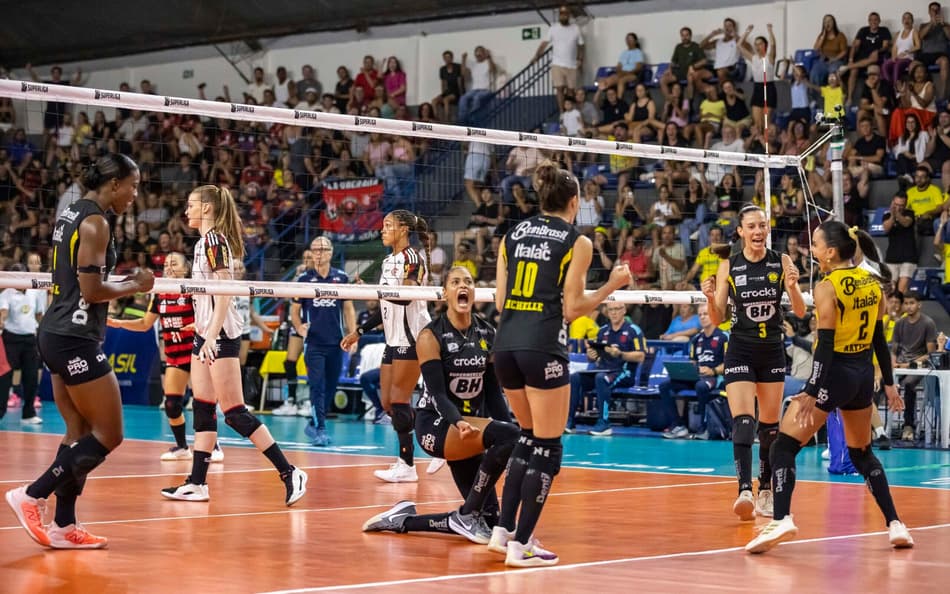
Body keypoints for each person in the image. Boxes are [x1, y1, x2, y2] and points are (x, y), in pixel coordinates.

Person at [5, 154, 154, 549]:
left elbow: (83, 281)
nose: (134, 195)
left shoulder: (72, 211)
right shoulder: (95, 222)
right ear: (114, 184)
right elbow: (92, 291)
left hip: (56, 331)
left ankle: (64, 526)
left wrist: (123, 280)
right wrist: (136, 284)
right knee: (110, 434)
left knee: (78, 432)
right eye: (132, 186)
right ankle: (32, 494)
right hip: (74, 337)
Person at [490, 162, 633, 567]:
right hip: (542, 346)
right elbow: (571, 309)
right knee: (548, 448)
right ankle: (522, 546)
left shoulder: (510, 236)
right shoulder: (577, 241)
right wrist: (611, 287)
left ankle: (503, 533)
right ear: (574, 202)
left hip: (506, 345)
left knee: (528, 437)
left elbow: (500, 303)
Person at [745, 222, 914, 553]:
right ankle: (896, 524)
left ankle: (781, 519)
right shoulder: (873, 284)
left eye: (817, 245)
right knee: (862, 453)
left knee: (784, 446)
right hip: (864, 377)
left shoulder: (827, 286)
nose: (813, 250)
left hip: (834, 375)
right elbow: (880, 340)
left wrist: (811, 389)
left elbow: (825, 345)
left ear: (832, 252)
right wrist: (890, 385)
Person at [162, 185, 307, 505]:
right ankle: (197, 483)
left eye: (191, 205)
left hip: (222, 336)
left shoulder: (214, 241)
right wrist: (201, 328)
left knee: (235, 413)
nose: (186, 211)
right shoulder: (202, 243)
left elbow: (225, 291)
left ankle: (290, 472)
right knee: (202, 408)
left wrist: (212, 334)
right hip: (204, 334)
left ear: (208, 209)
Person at [362, 267, 520, 542]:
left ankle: (403, 520)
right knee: (510, 436)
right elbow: (437, 394)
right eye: (456, 282)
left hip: (470, 429)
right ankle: (468, 513)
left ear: (474, 292)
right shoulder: (430, 336)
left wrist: (504, 424)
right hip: (436, 426)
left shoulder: (487, 332)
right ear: (445, 293)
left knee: (495, 526)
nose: (463, 286)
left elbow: (493, 392)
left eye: (468, 282)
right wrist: (460, 422)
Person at [701, 204, 806, 522]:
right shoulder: (728, 265)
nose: (759, 231)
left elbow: (800, 311)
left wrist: (792, 288)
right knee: (744, 420)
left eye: (762, 226)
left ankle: (765, 491)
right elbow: (719, 318)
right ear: (741, 232)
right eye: (752, 226)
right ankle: (744, 489)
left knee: (770, 428)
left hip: (772, 350)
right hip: (741, 350)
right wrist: (709, 297)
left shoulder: (781, 261)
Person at [341, 210, 432, 483]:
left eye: (388, 226)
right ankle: (412, 452)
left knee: (399, 400)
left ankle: (408, 464)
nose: (382, 231)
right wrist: (359, 331)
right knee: (386, 403)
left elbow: (404, 298)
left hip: (412, 339)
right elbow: (385, 305)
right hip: (392, 340)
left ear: (403, 229)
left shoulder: (413, 259)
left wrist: (375, 292)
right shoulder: (388, 261)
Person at [107, 252, 223, 463]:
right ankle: (181, 447)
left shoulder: (193, 290)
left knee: (202, 403)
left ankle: (213, 446)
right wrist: (119, 323)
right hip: (175, 355)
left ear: (186, 269)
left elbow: (210, 318)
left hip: (196, 352)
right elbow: (144, 324)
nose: (169, 266)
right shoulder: (159, 293)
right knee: (171, 404)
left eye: (174, 263)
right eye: (166, 263)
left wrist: (198, 326)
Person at [291, 236, 356, 446]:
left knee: (331, 385)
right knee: (316, 385)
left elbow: (348, 308)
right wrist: (299, 327)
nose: (318, 253)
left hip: (336, 342)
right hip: (314, 343)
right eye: (315, 250)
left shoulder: (342, 277)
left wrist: (353, 334)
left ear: (330, 253)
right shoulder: (303, 280)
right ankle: (320, 428)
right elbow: (295, 310)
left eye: (322, 250)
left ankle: (314, 421)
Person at [566, 302, 646, 436]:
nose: (614, 313)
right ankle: (570, 421)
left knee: (601, 378)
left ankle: (604, 423)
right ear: (607, 312)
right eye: (611, 310)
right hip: (602, 370)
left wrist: (620, 354)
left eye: (617, 309)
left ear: (624, 310)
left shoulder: (633, 330)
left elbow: (641, 356)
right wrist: (591, 355)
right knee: (575, 378)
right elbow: (595, 355)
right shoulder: (602, 331)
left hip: (624, 372)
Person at [660, 304, 728, 439]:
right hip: (697, 376)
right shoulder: (697, 339)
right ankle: (678, 425)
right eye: (700, 314)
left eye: (706, 314)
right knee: (665, 386)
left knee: (701, 386)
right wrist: (689, 370)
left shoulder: (723, 337)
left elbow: (730, 364)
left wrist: (713, 370)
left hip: (716, 377)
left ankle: (704, 428)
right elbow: (693, 361)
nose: (702, 317)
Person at [0, 262, 46, 424]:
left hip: (29, 340)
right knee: (4, 379)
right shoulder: (7, 293)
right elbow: (3, 313)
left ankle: (28, 414)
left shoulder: (35, 292)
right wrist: (1, 321)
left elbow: (39, 314)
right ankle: (0, 411)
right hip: (10, 340)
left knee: (31, 377)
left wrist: (44, 334)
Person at [273, 249, 314, 417]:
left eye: (309, 257)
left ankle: (310, 401)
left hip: (313, 324)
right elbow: (289, 296)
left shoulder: (318, 276)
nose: (306, 260)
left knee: (311, 362)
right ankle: (291, 400)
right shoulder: (300, 277)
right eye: (304, 258)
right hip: (298, 324)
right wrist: (296, 277)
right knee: (290, 362)